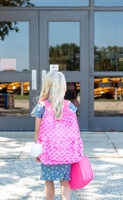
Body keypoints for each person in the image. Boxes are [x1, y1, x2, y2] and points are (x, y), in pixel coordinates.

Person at [31, 71, 83, 200]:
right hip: (66, 151)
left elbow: (37, 131)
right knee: (65, 182)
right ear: (63, 86)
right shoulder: (70, 106)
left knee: (48, 181)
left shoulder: (42, 106)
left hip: (49, 151)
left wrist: (38, 150)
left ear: (47, 85)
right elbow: (75, 130)